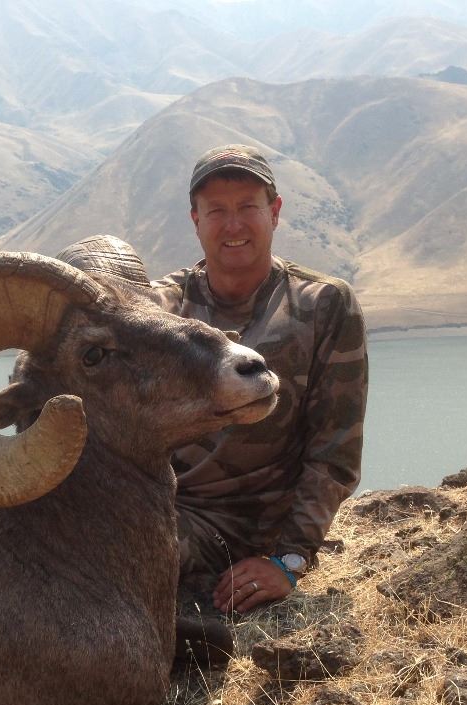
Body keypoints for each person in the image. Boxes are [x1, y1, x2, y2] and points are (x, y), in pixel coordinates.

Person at [152, 144, 368, 615]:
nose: (233, 225)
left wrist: (290, 558)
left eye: (247, 207)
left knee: (126, 558)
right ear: (195, 219)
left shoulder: (323, 304)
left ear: (274, 212)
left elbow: (335, 450)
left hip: (248, 526)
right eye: (216, 210)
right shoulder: (160, 310)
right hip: (161, 503)